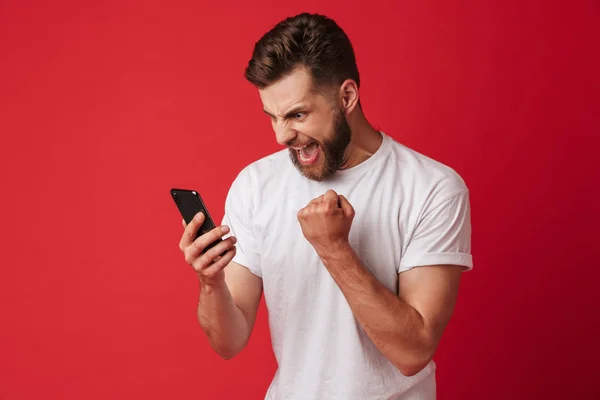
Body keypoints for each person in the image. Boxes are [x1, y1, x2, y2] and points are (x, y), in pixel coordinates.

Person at [178, 12, 473, 400]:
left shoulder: (432, 188)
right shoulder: (256, 184)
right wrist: (210, 282)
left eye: (297, 115)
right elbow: (228, 343)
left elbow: (412, 352)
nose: (283, 135)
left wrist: (334, 248)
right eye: (273, 117)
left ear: (346, 97)